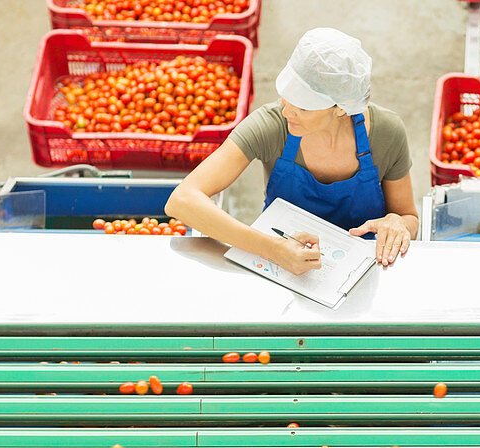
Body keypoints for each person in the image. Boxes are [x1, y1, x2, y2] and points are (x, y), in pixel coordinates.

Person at [166, 28, 418, 274]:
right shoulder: (273, 124)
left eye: (304, 107)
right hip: (279, 270)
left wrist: (397, 223)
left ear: (342, 108)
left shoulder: (386, 133)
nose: (288, 111)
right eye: (288, 95)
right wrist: (274, 249)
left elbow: (409, 218)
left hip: (365, 272)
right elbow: (182, 200)